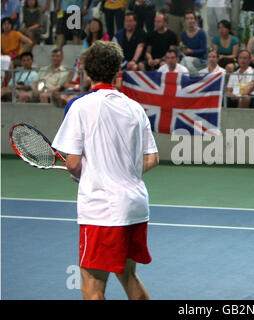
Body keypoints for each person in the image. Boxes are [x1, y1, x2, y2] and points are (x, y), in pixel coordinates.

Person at [51, 40, 159, 300]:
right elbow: (152, 158)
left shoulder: (80, 106)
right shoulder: (135, 108)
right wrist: (121, 173)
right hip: (135, 206)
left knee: (91, 285)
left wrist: (81, 173)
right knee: (128, 275)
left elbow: (74, 163)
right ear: (116, 72)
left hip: (102, 211)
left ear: (87, 72)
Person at [179, 10, 207, 77]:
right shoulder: (183, 34)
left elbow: (203, 50)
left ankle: (196, 78)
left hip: (201, 60)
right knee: (182, 62)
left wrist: (191, 51)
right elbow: (184, 48)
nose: (190, 20)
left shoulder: (201, 33)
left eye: (191, 18)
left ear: (195, 20)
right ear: (185, 21)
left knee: (185, 60)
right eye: (187, 19)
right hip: (187, 60)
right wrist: (183, 51)